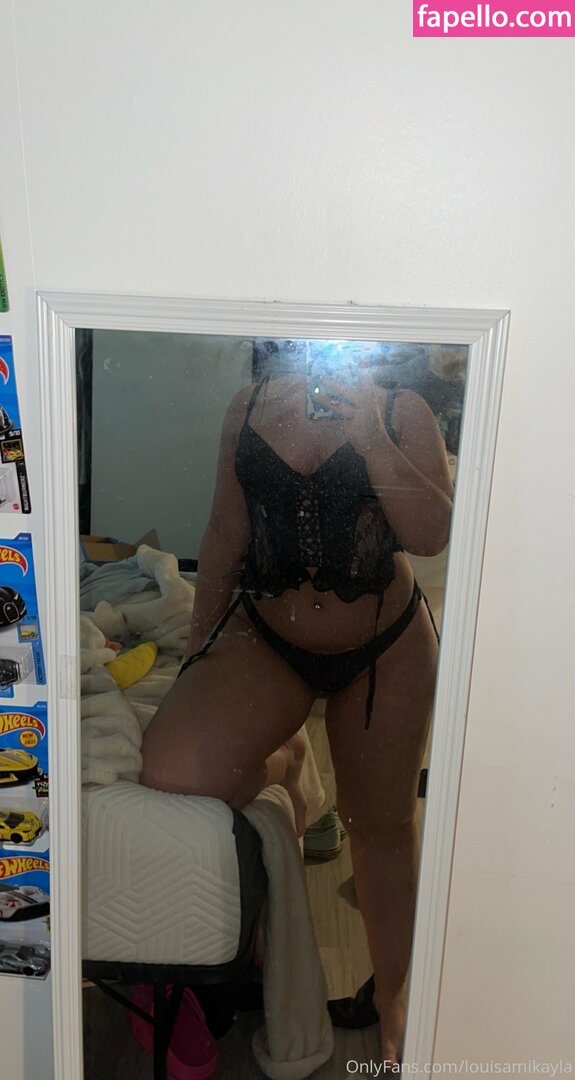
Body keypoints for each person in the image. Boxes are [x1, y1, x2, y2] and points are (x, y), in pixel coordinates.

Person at [141, 342, 453, 1066]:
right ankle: (286, 760)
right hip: (268, 635)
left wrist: (372, 437)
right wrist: (197, 651)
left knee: (380, 826)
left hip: (385, 645)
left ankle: (393, 998)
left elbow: (431, 537)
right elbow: (225, 533)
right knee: (172, 773)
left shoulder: (402, 409)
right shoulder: (246, 407)